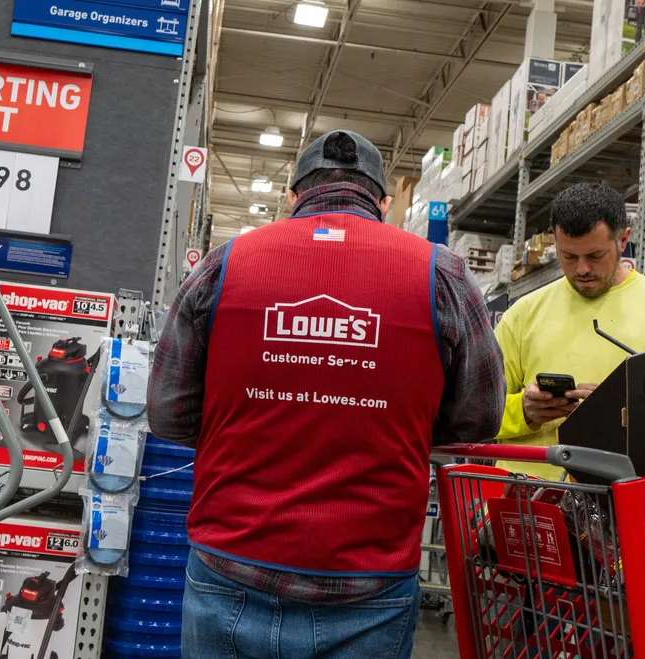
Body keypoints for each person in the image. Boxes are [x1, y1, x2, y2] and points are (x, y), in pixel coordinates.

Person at [148, 129, 504, 659]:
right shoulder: (443, 275)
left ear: (293, 198)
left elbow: (168, 413)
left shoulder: (223, 266)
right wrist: (390, 424)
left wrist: (254, 419)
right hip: (369, 583)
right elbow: (479, 418)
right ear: (382, 203)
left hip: (231, 565)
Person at [495, 182, 645, 478]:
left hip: (625, 503)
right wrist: (525, 411)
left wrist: (625, 413)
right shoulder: (522, 315)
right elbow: (475, 412)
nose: (581, 269)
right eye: (568, 257)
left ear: (623, 240)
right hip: (529, 506)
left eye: (595, 256)